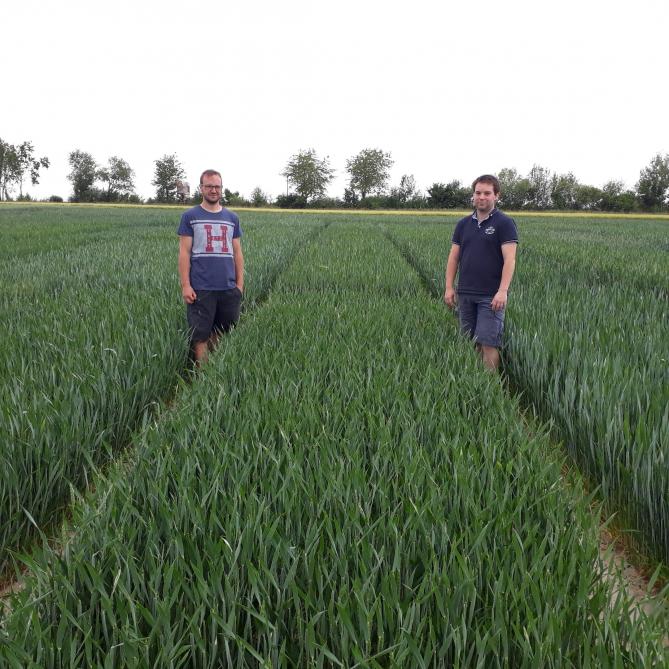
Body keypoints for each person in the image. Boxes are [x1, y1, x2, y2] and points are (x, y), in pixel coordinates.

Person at [444, 174, 518, 371]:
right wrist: (449, 287)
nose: (481, 197)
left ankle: (491, 387)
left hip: (490, 296)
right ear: (473, 195)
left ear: (496, 196)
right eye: (478, 193)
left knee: (488, 342)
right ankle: (477, 380)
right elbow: (453, 257)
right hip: (466, 293)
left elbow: (510, 259)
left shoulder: (504, 223)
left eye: (487, 193)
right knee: (471, 341)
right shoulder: (463, 224)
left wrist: (503, 291)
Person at [178, 169, 244, 364]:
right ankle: (201, 379)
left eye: (217, 186)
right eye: (209, 186)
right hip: (201, 288)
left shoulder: (232, 218)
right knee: (200, 335)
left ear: (221, 189)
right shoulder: (190, 216)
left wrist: (239, 285)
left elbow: (237, 253)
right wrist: (185, 285)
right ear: (201, 189)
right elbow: (184, 253)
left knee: (221, 331)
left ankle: (213, 372)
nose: (213, 190)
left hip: (228, 287)